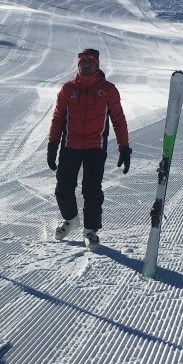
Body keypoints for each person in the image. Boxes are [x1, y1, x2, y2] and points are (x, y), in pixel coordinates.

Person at [47, 48, 131, 250]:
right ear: (78, 65)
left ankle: (90, 231)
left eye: (90, 61)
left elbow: (118, 120)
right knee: (63, 188)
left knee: (92, 191)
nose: (86, 65)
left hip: (95, 147)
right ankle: (71, 220)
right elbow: (58, 119)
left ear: (97, 65)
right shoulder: (67, 89)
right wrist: (52, 146)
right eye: (83, 62)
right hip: (70, 147)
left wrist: (124, 147)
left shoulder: (108, 90)